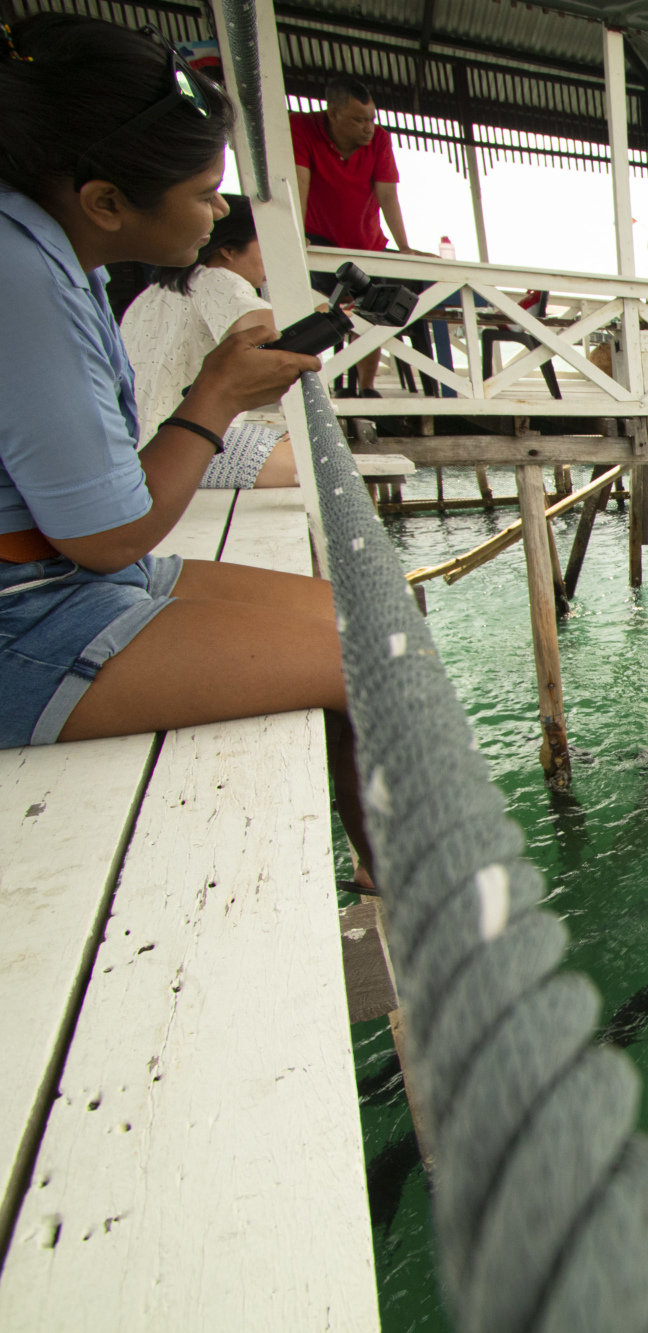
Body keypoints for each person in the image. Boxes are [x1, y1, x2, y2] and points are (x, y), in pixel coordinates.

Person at [0, 14, 371, 878]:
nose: (216, 210)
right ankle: (419, 917)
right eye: (206, 192)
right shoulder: (20, 276)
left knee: (377, 630)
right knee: (372, 667)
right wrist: (215, 396)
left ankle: (383, 880)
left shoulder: (60, 258)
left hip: (68, 578)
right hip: (33, 612)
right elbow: (109, 535)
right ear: (104, 200)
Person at [121, 192, 296, 489]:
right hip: (190, 449)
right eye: (266, 245)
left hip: (143, 449)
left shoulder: (149, 294)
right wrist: (327, 317)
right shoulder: (219, 278)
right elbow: (276, 336)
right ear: (228, 250)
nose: (273, 258)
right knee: (319, 463)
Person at [290, 75, 415, 394]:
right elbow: (297, 182)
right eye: (360, 120)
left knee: (370, 309)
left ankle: (366, 388)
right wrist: (296, 232)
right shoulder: (301, 128)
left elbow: (388, 195)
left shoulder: (380, 140)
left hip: (368, 244)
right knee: (327, 306)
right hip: (320, 241)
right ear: (333, 114)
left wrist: (404, 247)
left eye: (371, 118)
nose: (368, 127)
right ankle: (317, 384)